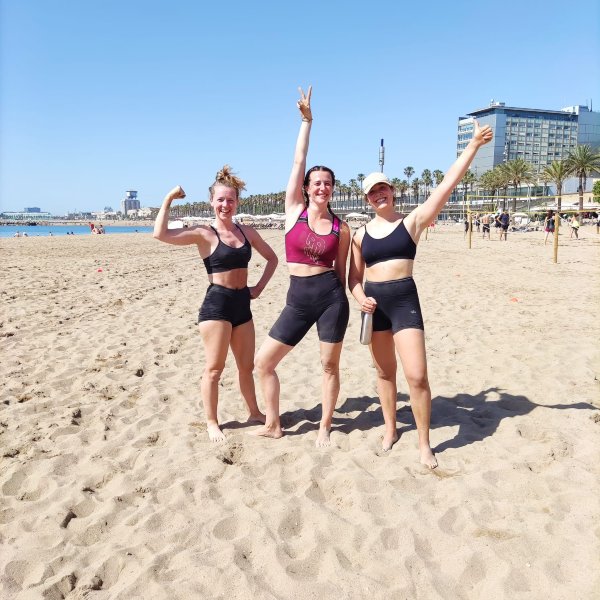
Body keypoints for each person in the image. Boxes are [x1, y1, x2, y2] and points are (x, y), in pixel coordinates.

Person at [348, 119, 493, 467]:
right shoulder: (359, 234)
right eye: (372, 191)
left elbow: (445, 185)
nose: (379, 193)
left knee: (416, 375)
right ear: (367, 198)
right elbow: (352, 278)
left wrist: (472, 146)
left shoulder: (411, 222)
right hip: (374, 305)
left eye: (383, 188)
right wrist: (359, 299)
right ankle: (390, 428)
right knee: (384, 373)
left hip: (403, 301)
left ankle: (424, 442)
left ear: (392, 190)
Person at [253, 86, 351, 447]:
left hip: (330, 300)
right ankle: (274, 423)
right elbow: (298, 161)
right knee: (263, 362)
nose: (322, 187)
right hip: (297, 300)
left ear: (332, 190)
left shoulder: (342, 228)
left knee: (328, 366)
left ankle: (325, 425)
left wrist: (353, 296)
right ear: (307, 188)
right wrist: (307, 122)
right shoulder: (293, 211)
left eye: (328, 183)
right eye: (317, 182)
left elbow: (343, 271)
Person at [153, 166, 278, 442]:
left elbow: (272, 259)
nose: (225, 204)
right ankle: (212, 421)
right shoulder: (204, 233)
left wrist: (258, 287)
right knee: (214, 368)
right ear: (212, 202)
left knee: (246, 367)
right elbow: (160, 234)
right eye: (220, 199)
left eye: (230, 199)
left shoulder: (247, 231)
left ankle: (254, 412)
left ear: (237, 202)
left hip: (242, 304)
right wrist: (169, 198)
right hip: (217, 306)